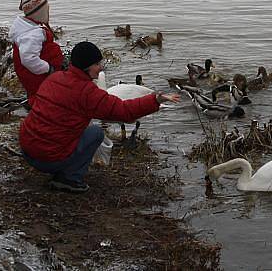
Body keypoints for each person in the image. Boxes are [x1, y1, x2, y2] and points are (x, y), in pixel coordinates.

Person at [19, 41, 179, 192]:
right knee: (95, 133)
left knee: (74, 126)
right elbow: (124, 111)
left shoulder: (54, 78)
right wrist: (155, 99)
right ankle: (69, 179)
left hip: (27, 150)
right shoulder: (88, 92)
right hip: (48, 159)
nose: (100, 68)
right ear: (86, 67)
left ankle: (58, 163)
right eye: (97, 64)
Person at [9, 0, 64, 107]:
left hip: (37, 74)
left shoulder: (30, 28)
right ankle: (40, 104)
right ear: (39, 13)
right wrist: (48, 68)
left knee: (43, 91)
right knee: (42, 94)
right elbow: (28, 59)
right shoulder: (32, 34)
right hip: (37, 75)